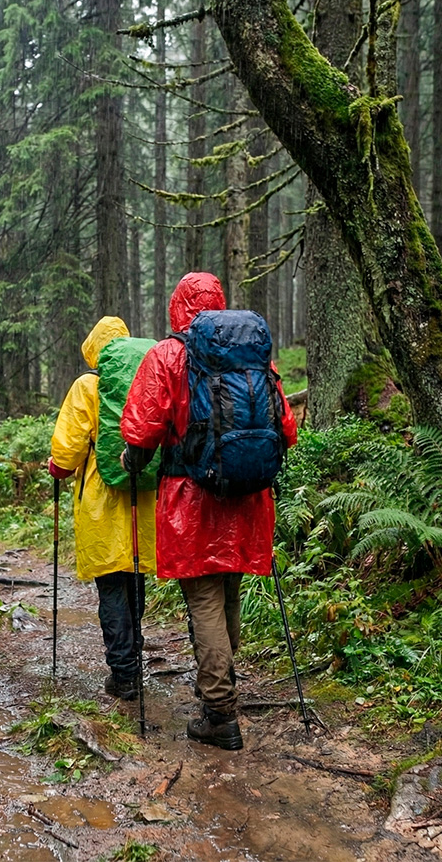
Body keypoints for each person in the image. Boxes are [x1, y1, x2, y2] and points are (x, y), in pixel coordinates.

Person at [120, 272, 298, 750]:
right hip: (245, 496)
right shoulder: (251, 357)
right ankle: (218, 689)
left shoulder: (168, 355)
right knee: (229, 594)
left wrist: (131, 463)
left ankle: (220, 713)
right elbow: (287, 427)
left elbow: (140, 432)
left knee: (203, 603)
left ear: (177, 306)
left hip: (191, 501)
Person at [49, 316, 157, 700]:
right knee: (134, 578)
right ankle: (135, 660)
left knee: (111, 588)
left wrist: (56, 467)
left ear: (94, 348)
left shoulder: (87, 386)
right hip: (140, 499)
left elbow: (65, 456)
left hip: (100, 503)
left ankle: (125, 675)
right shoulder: (148, 380)